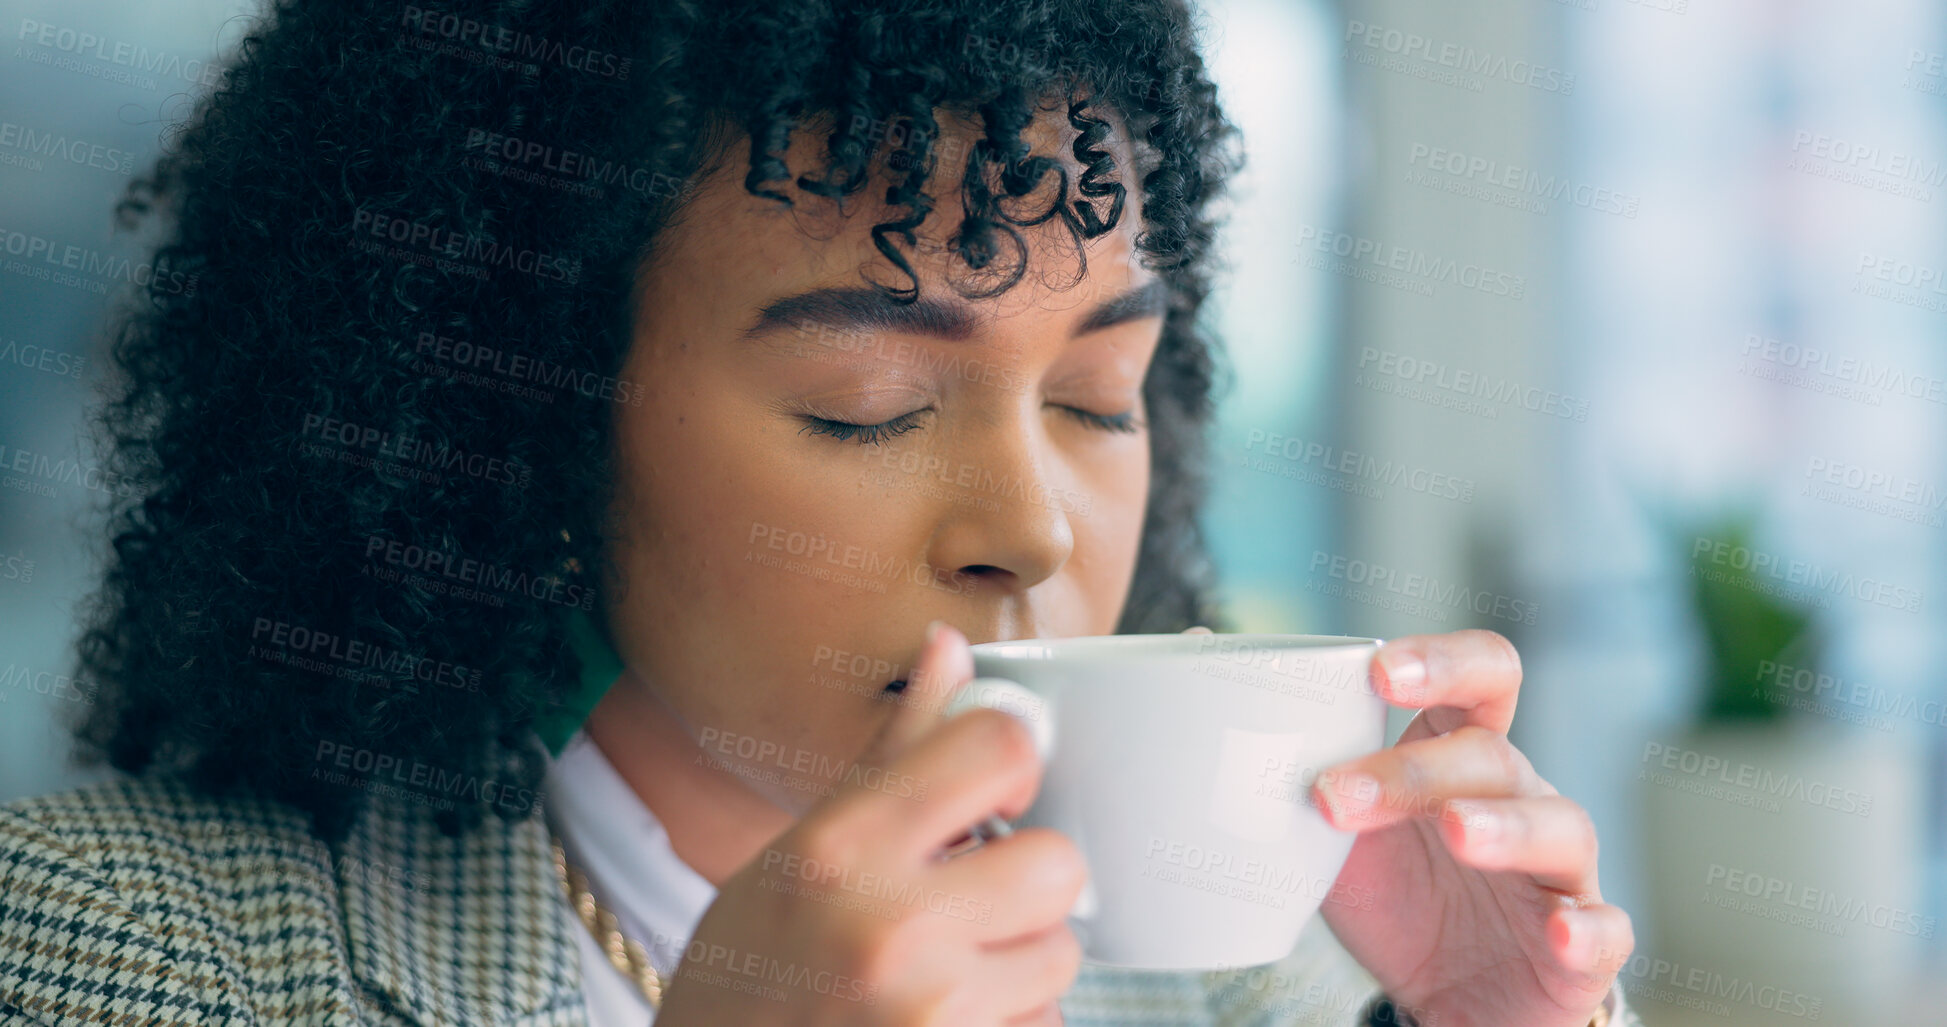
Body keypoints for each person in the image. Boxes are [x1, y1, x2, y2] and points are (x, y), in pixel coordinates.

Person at [0, 0, 1637, 1024]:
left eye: (1094, 403)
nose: (1037, 534)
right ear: (522, 427)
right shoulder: (115, 951)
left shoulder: (1271, 970)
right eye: (871, 406)